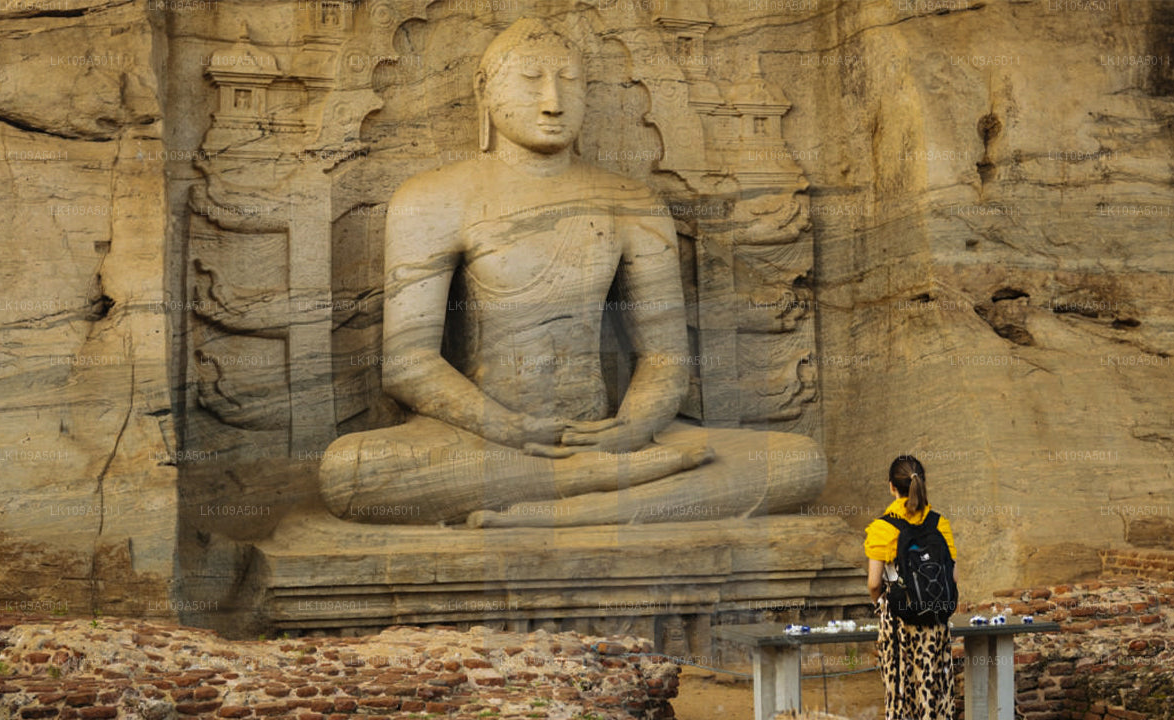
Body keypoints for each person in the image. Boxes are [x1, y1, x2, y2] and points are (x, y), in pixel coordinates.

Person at [315, 18, 826, 526]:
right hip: (479, 440)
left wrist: (631, 426)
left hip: (606, 437)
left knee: (796, 462)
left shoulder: (632, 201)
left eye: (571, 80)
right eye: (530, 79)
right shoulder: (432, 199)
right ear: (485, 91)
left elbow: (665, 358)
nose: (553, 100)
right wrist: (506, 427)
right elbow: (407, 366)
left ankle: (569, 503)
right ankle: (588, 486)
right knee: (350, 474)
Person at [864, 455, 958, 720]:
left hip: (898, 624)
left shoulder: (883, 527)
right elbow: (954, 577)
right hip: (935, 621)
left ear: (891, 487)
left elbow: (873, 583)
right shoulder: (940, 524)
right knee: (935, 694)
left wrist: (879, 604)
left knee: (901, 696)